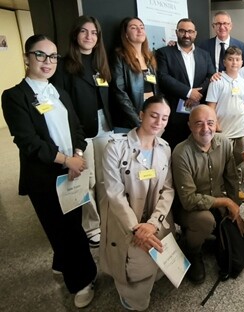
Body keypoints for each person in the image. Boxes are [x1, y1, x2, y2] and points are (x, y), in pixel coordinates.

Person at [2, 35, 97, 308]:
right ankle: (82, 280)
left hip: (73, 171)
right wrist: (67, 161)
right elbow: (29, 142)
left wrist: (77, 156)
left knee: (71, 225)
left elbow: (77, 129)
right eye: (40, 55)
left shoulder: (59, 91)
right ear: (26, 57)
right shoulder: (14, 96)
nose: (48, 61)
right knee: (63, 230)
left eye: (53, 56)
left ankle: (61, 261)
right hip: (45, 177)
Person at [100, 95, 175, 311]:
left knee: (158, 260)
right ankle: (129, 288)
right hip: (126, 222)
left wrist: (153, 224)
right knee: (139, 297)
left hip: (153, 221)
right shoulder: (115, 147)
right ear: (141, 115)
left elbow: (168, 190)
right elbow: (115, 194)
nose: (158, 123)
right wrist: (136, 229)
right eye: (153, 115)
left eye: (164, 118)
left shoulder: (165, 147)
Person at [51, 15, 112, 248]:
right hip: (81, 130)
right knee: (87, 179)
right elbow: (63, 105)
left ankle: (107, 218)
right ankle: (91, 225)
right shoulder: (65, 66)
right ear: (75, 34)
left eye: (94, 33)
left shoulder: (100, 62)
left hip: (105, 127)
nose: (89, 37)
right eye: (84, 32)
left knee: (106, 178)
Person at [172, 105, 244, 284]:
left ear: (217, 124)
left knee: (235, 236)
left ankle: (210, 235)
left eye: (210, 123)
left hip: (216, 197)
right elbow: (189, 200)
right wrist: (226, 203)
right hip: (188, 207)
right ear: (189, 126)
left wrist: (235, 206)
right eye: (198, 124)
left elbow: (231, 179)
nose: (205, 129)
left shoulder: (224, 143)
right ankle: (193, 251)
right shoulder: (181, 153)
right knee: (205, 221)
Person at [156, 18, 215, 149]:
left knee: (199, 148)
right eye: (182, 31)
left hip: (199, 112)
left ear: (195, 33)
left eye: (190, 31)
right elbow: (163, 77)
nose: (186, 35)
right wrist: (188, 93)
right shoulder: (164, 53)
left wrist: (196, 94)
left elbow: (211, 75)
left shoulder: (204, 55)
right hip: (175, 115)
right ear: (177, 32)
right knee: (175, 148)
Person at [206, 46, 244, 201]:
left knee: (238, 161)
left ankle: (236, 188)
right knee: (221, 162)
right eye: (230, 59)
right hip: (223, 131)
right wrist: (215, 126)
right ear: (224, 61)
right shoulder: (217, 81)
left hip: (240, 129)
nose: (234, 62)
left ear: (242, 62)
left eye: (237, 59)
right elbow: (210, 106)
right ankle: (220, 188)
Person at [110, 17, 159, 132]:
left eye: (142, 27)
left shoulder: (149, 57)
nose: (139, 30)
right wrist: (137, 120)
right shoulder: (119, 56)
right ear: (126, 34)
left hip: (149, 117)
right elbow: (119, 92)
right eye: (134, 27)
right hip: (128, 121)